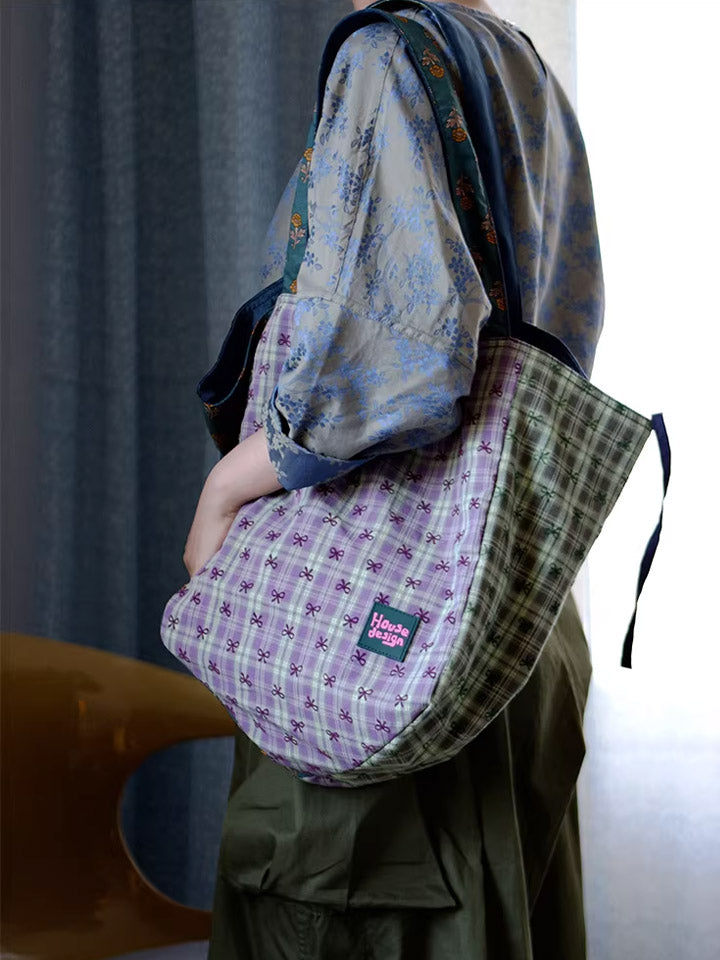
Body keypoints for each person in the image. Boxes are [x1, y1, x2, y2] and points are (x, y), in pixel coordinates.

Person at [183, 1, 603, 957]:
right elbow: (563, 330)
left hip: (372, 630)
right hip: (509, 610)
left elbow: (401, 362)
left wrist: (226, 491)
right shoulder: (518, 63)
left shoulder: (385, 54)